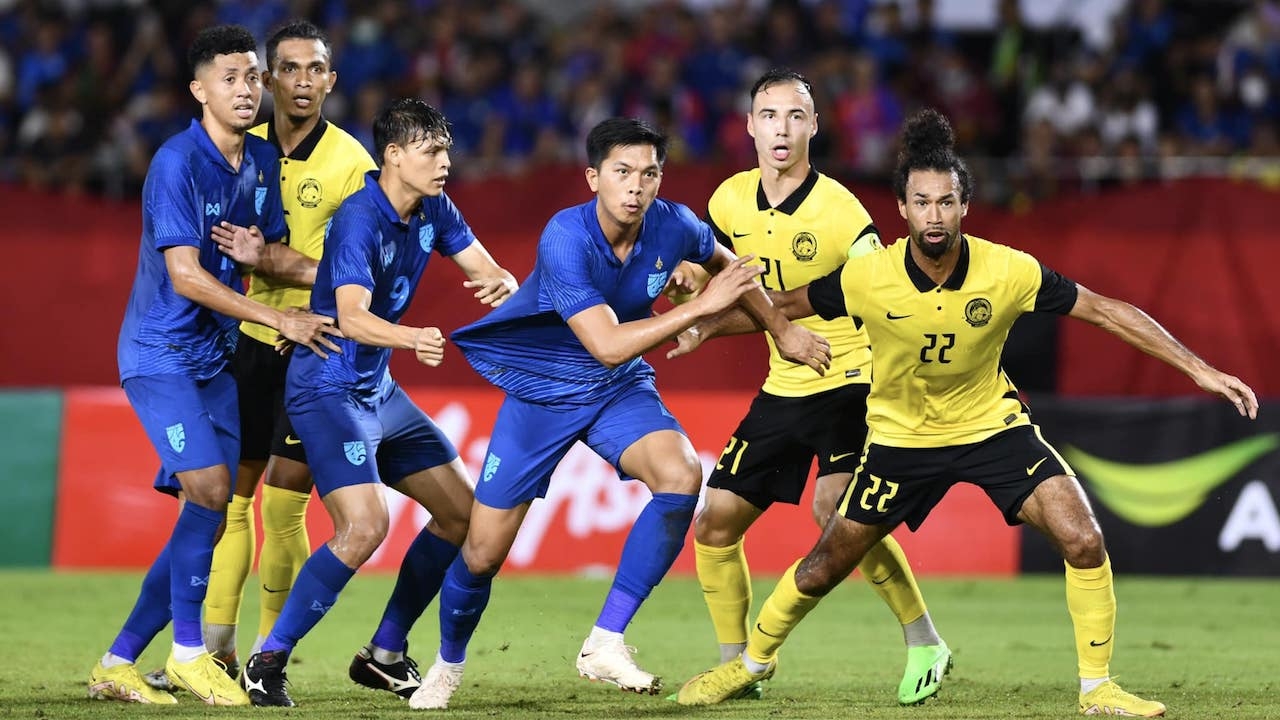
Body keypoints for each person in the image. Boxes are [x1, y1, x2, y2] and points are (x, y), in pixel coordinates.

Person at [675, 109, 1258, 716]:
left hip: (990, 428)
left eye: (946, 203)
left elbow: (1108, 310)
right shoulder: (868, 275)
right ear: (902, 209)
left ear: (964, 208)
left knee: (1083, 539)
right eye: (922, 203)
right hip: (901, 441)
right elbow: (782, 307)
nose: (935, 216)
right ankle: (748, 665)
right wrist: (702, 324)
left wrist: (1200, 369)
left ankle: (1098, 689)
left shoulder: (1008, 270)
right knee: (822, 567)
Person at [409, 117, 832, 711]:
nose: (636, 186)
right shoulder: (565, 236)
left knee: (682, 475)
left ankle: (605, 641)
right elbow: (605, 343)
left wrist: (782, 330)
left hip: (616, 388)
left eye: (649, 173)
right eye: (622, 172)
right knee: (481, 554)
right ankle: (447, 666)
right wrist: (699, 310)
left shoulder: (675, 224)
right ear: (594, 178)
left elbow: (730, 268)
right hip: (544, 390)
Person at [667, 68, 950, 705]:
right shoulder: (728, 201)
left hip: (853, 377)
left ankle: (924, 640)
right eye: (769, 115)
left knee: (836, 512)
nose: (782, 129)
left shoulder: (841, 212)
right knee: (714, 525)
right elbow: (730, 287)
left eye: (796, 116)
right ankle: (735, 667)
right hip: (786, 383)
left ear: (814, 127)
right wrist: (694, 291)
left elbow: (885, 291)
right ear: (749, 126)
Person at [87, 24, 340, 707]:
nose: (246, 88)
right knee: (207, 490)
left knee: (211, 506)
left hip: (215, 361)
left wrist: (289, 268)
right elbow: (186, 276)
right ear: (199, 90)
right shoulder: (176, 163)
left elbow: (266, 250)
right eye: (229, 78)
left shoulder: (258, 161)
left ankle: (117, 661)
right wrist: (279, 318)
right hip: (161, 356)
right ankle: (190, 655)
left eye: (253, 76)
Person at [237, 97, 518, 707]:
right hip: (326, 387)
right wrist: (412, 338)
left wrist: (505, 282)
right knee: (365, 526)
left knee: (464, 517)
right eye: (431, 151)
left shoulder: (434, 206)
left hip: (376, 388)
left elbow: (484, 267)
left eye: (446, 150)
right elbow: (352, 317)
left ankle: (384, 654)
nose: (445, 162)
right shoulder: (358, 220)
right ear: (393, 155)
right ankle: (267, 660)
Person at [196, 19, 378, 681]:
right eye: (290, 69)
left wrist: (277, 261)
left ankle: (266, 656)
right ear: (268, 80)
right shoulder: (239, 148)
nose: (303, 81)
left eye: (315, 69)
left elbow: (367, 270)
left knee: (282, 504)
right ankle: (213, 652)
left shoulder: (353, 165)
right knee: (229, 503)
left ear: (331, 79)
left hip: (317, 349)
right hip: (247, 340)